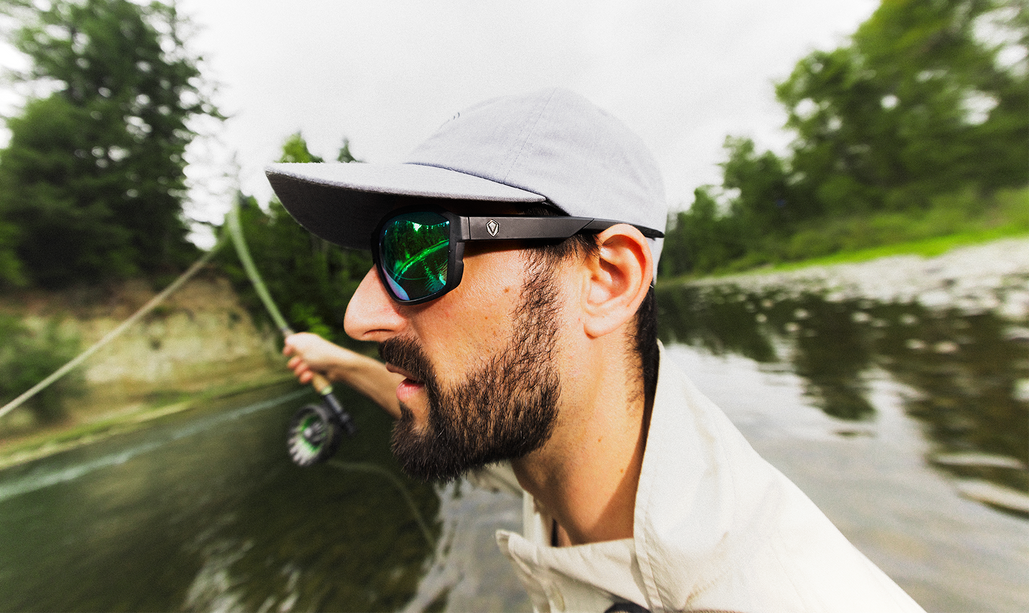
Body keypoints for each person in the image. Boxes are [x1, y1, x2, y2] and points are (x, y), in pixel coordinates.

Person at [266, 89, 926, 612]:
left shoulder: (770, 593)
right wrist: (335, 360)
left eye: (420, 251)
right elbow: (446, 398)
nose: (358, 314)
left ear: (609, 279)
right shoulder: (560, 435)